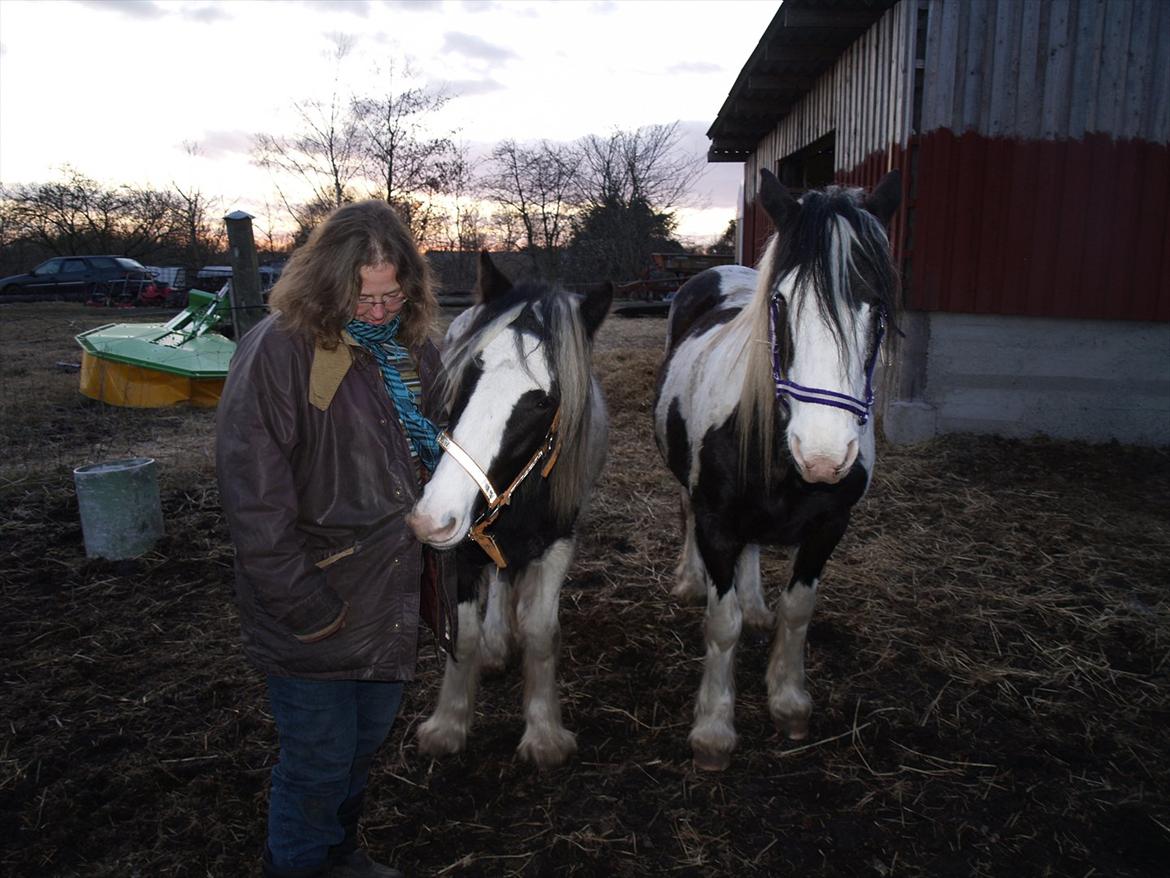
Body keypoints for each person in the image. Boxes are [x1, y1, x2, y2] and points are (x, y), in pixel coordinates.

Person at [215, 200, 455, 878]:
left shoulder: (416, 351)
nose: (379, 312)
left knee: (362, 747)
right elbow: (253, 499)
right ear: (327, 282)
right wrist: (306, 607)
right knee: (318, 759)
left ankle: (339, 856)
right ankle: (295, 865)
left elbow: (441, 453)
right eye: (363, 297)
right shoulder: (278, 351)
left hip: (393, 595)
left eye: (391, 295)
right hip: (317, 598)